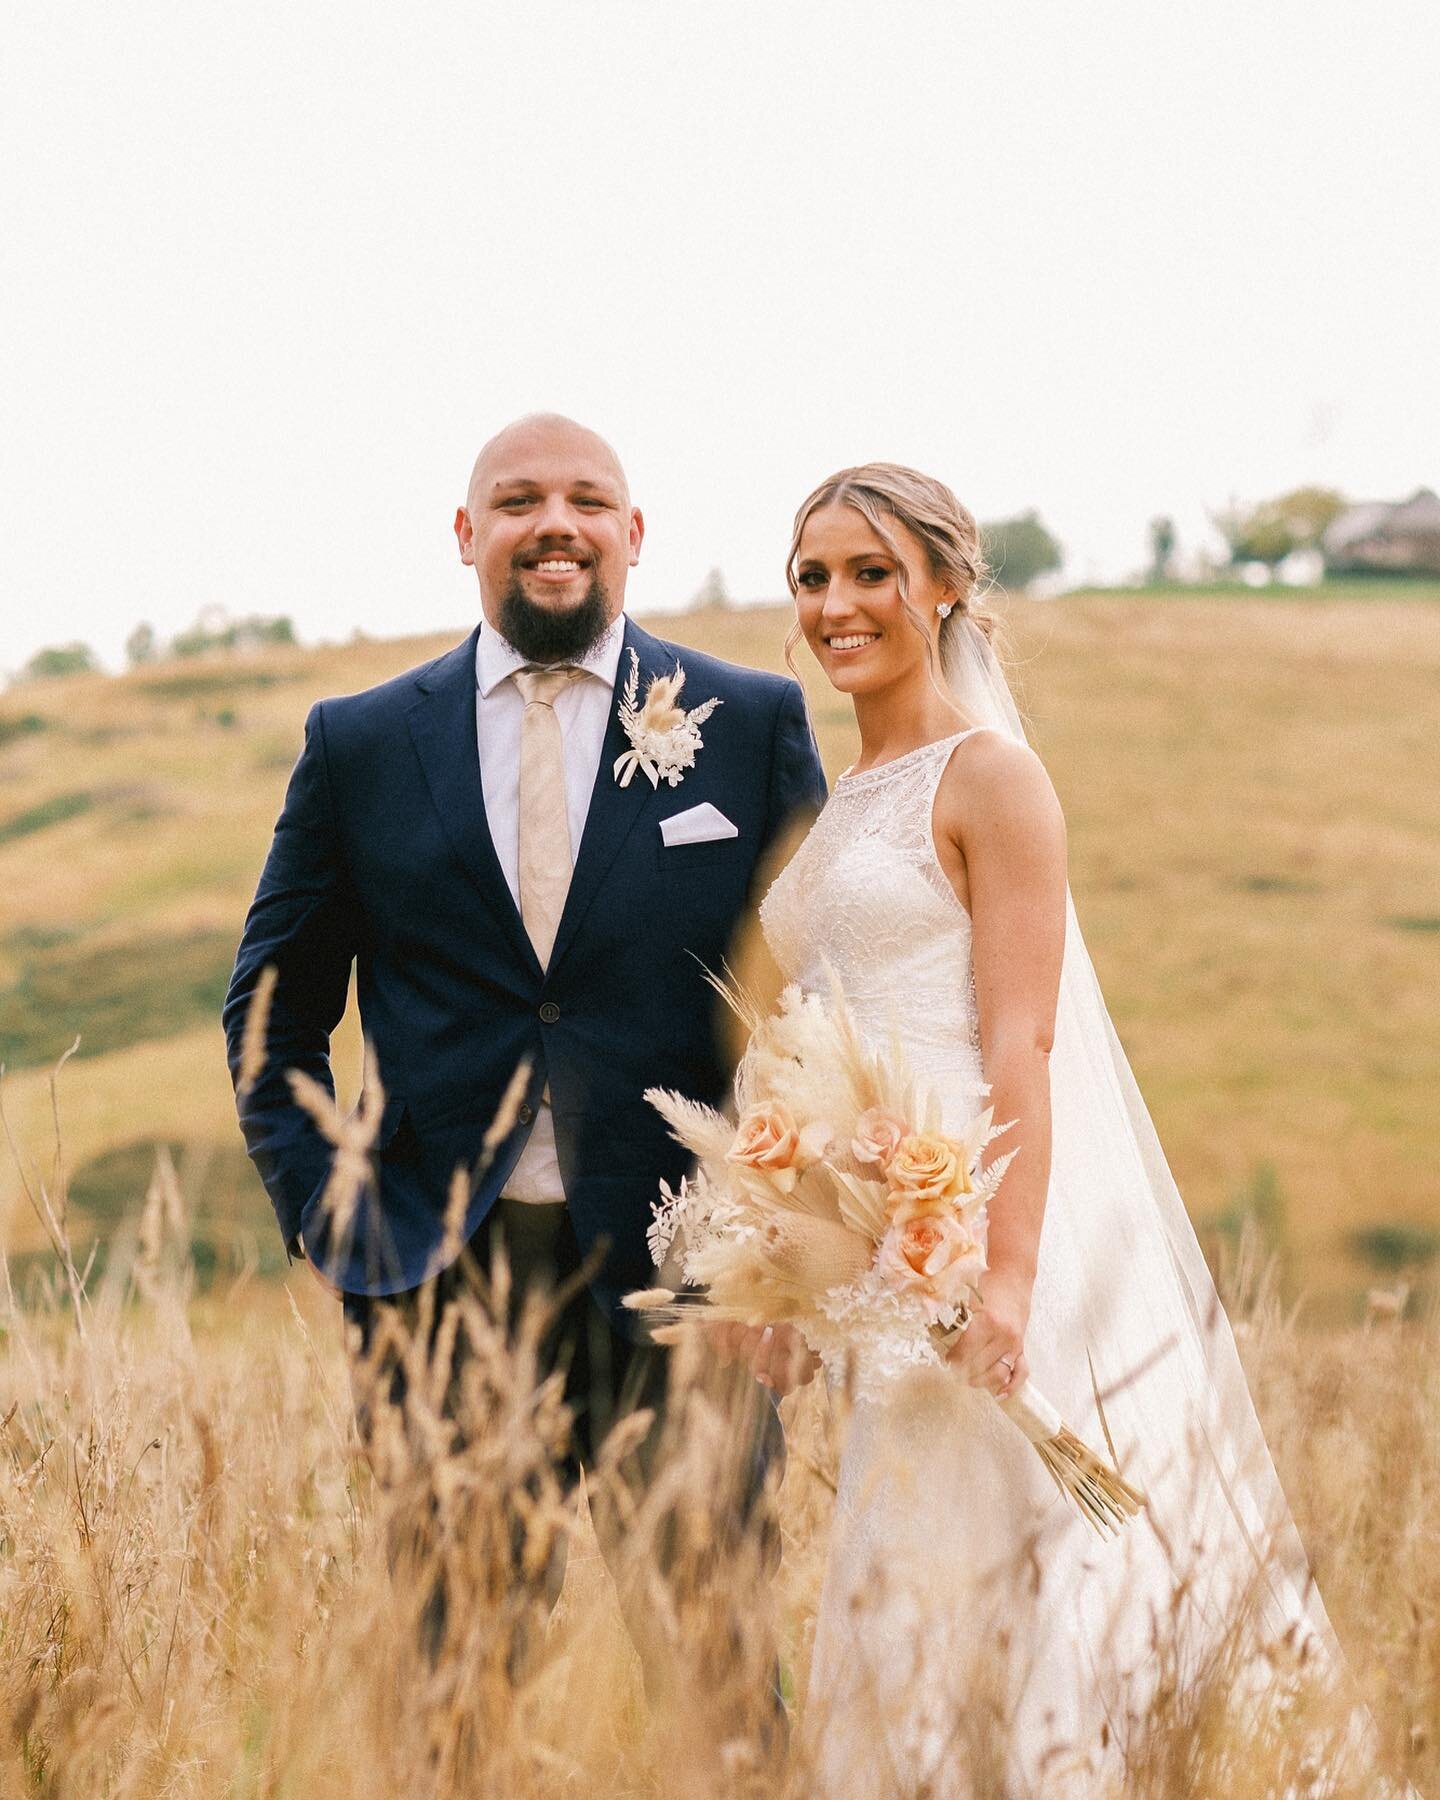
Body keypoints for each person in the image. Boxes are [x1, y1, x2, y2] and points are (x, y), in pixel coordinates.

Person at [754, 463, 1383, 1795]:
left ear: (945, 588)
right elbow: (826, 1057)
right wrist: (793, 1264)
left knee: (1054, 1583)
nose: (835, 602)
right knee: (916, 1591)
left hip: (995, 1239)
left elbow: (1018, 1042)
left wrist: (1009, 1275)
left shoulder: (993, 780)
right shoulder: (842, 797)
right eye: (813, 576)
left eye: (871, 572)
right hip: (887, 1270)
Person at [222, 414, 827, 1630]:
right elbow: (271, 1015)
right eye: (518, 500)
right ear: (467, 534)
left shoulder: (750, 723)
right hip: (439, 1288)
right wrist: (336, 1221)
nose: (556, 523)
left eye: (589, 500)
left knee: (717, 1680)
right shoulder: (361, 744)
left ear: (634, 533)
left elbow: (817, 1011)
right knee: (461, 1692)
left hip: (689, 1283)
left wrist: (783, 1248)